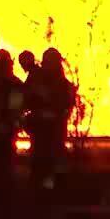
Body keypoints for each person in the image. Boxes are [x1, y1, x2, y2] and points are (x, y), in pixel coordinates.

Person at [25, 47, 75, 190]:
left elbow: (65, 107)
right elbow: (25, 100)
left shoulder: (64, 86)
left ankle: (51, 192)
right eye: (47, 62)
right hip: (41, 136)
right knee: (39, 169)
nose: (49, 66)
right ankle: (42, 193)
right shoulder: (36, 80)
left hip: (54, 136)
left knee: (52, 170)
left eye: (51, 62)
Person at [0, 49, 25, 193]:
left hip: (6, 128)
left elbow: (16, 107)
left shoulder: (14, 84)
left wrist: (7, 122)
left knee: (5, 160)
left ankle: (5, 191)